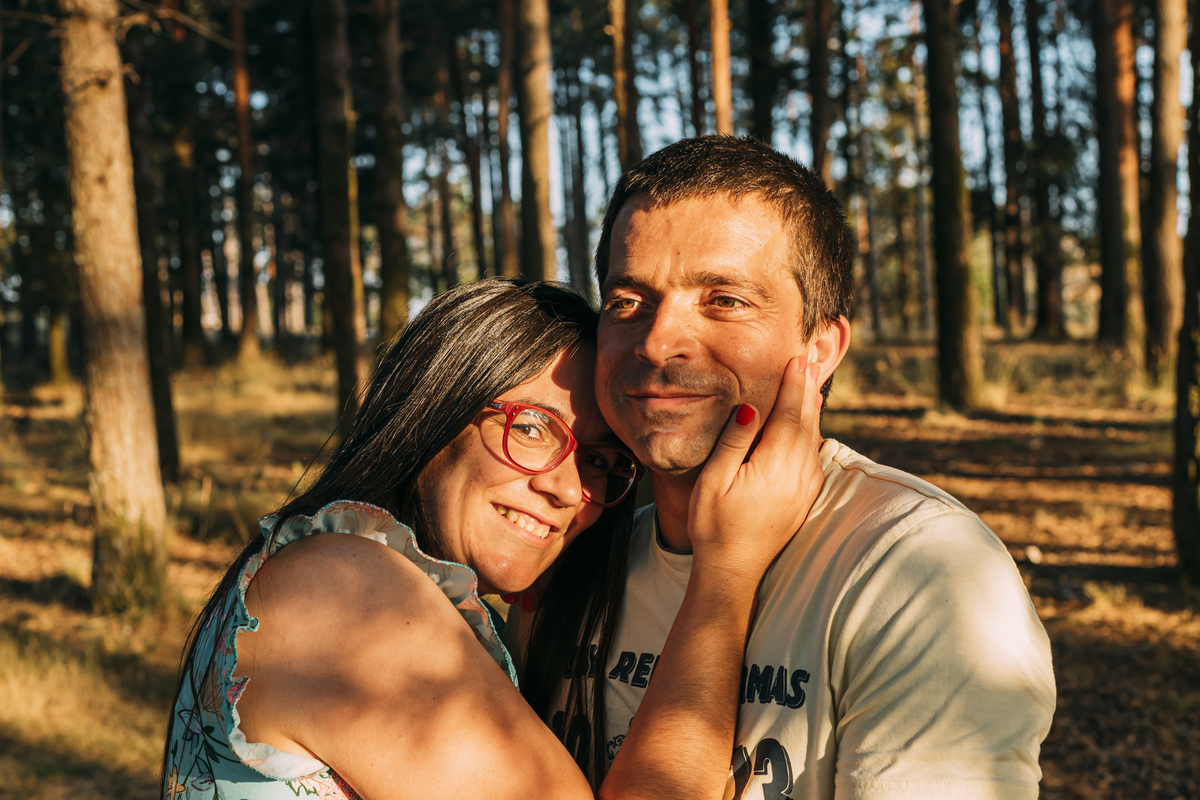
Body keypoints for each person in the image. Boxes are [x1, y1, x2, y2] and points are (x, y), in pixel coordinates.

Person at [509, 136, 1057, 800]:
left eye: (724, 301)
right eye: (628, 302)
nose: (657, 342)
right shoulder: (574, 559)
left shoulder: (918, 571)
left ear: (820, 347)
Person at [161, 277, 827, 800]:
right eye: (533, 428)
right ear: (435, 411)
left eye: (600, 460)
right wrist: (726, 574)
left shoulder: (348, 571)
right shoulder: (343, 592)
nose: (570, 490)